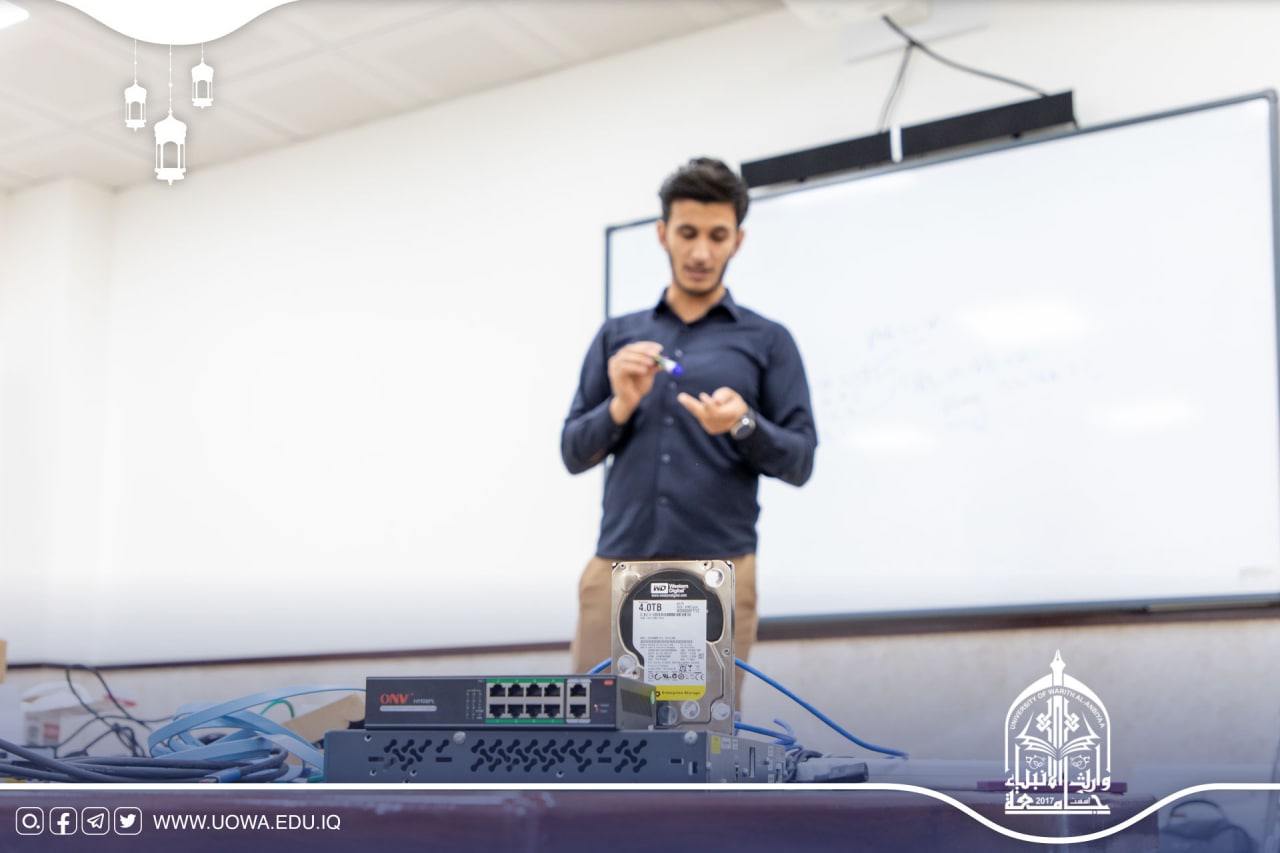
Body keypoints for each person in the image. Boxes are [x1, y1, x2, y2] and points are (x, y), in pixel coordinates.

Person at [561, 157, 817, 699]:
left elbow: (800, 462)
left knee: (697, 739)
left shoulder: (768, 341)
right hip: (616, 566)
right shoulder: (618, 337)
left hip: (716, 573)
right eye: (687, 233)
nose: (701, 252)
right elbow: (573, 453)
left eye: (717, 236)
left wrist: (743, 423)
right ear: (663, 234)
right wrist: (620, 405)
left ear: (737, 241)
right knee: (592, 735)